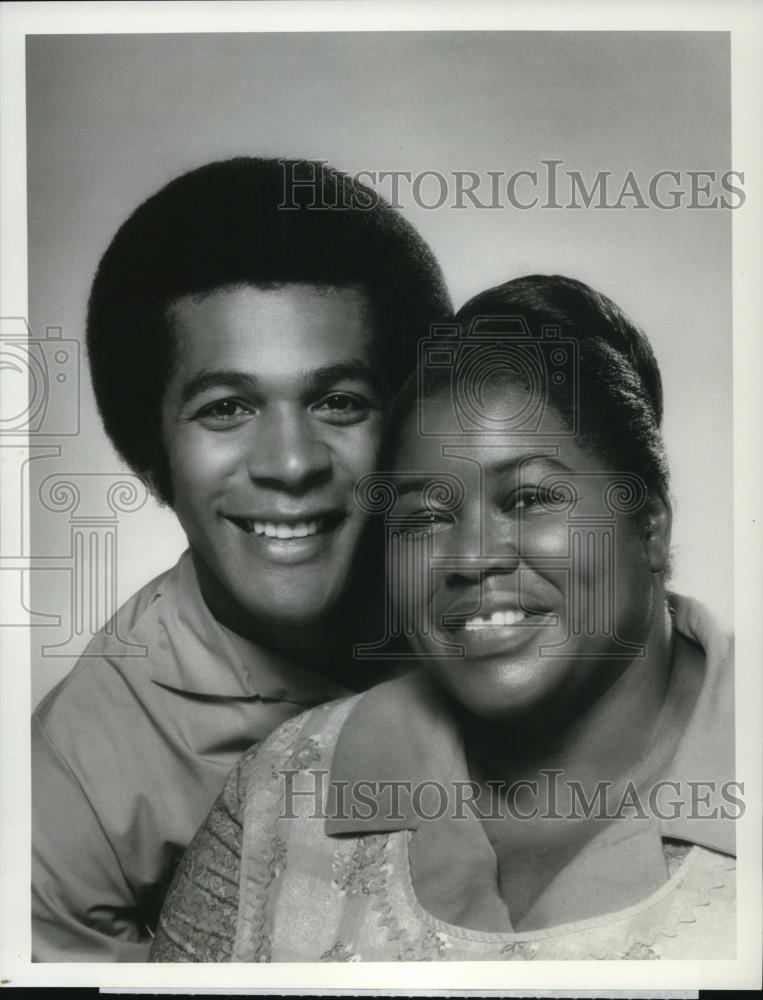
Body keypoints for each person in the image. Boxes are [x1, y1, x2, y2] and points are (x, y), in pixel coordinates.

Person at [150, 274, 736, 962]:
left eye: (527, 499)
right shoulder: (279, 794)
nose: (470, 558)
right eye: (425, 516)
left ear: (650, 527)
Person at [32, 156, 452, 961]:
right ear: (152, 456)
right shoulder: (70, 784)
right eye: (225, 408)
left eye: (339, 402)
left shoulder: (511, 616)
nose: (291, 463)